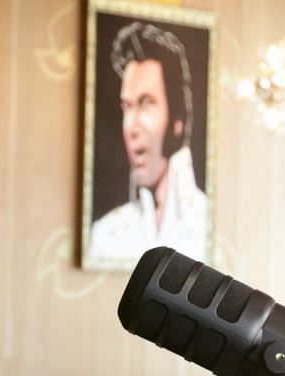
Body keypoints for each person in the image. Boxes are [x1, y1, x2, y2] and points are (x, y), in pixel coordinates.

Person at [85, 20, 210, 267]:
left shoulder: (206, 220)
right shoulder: (106, 233)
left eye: (146, 103)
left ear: (178, 119)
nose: (132, 126)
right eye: (127, 107)